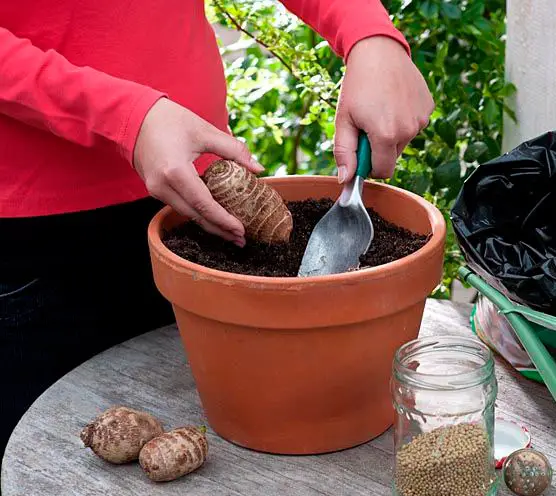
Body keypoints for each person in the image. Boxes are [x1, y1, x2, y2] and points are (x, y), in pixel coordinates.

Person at [0, 1, 433, 460]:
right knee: (44, 478)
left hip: (205, 207)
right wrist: (125, 116)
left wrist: (367, 33)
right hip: (40, 244)